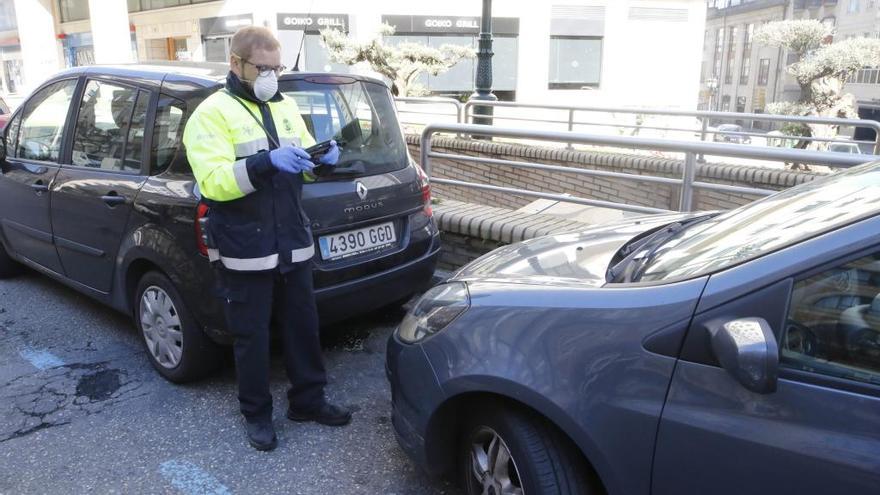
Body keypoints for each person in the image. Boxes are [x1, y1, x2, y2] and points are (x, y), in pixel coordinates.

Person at [182, 26, 352, 451]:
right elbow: (215, 182)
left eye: (277, 68)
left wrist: (323, 161)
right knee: (251, 337)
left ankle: (308, 402)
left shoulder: (287, 105)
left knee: (303, 328)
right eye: (263, 68)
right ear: (236, 64)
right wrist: (265, 163)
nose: (271, 76)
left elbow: (304, 162)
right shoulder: (210, 114)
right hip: (246, 247)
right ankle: (257, 416)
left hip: (291, 240)